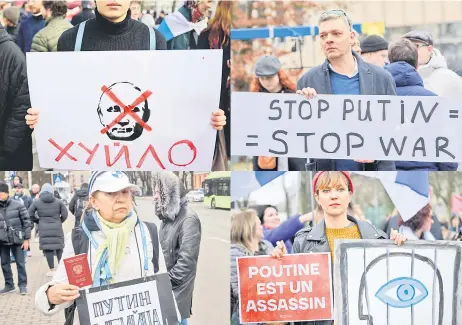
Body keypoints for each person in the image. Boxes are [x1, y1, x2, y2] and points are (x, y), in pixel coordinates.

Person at [54, 0, 227, 141]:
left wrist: (204, 116)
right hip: (87, 148)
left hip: (142, 151)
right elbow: (62, 100)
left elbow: (167, 100)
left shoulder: (154, 40)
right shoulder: (70, 40)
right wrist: (43, 117)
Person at [35, 171, 175, 323]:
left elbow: (161, 283)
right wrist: (50, 295)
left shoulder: (148, 232)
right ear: (93, 201)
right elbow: (64, 289)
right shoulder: (79, 239)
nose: (121, 199)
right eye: (110, 193)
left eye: (125, 192)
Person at [271, 171, 407, 325]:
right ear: (317, 197)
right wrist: (280, 266)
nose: (333, 196)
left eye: (340, 189)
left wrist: (400, 248)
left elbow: (394, 286)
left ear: (349, 195)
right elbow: (292, 301)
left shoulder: (375, 237)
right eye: (326, 191)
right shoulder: (302, 242)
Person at [297, 10, 396, 171]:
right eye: (323, 36)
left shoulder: (382, 78)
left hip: (375, 172)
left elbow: (394, 129)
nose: (329, 40)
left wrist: (378, 153)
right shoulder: (307, 81)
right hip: (326, 172)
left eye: (336, 34)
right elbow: (299, 137)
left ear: (351, 37)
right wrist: (301, 110)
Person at [384, 38, 458, 171]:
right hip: (428, 169)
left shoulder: (373, 101)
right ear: (417, 65)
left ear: (389, 61)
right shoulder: (437, 103)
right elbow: (447, 153)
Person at [153, 172, 201, 325]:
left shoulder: (188, 219)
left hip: (175, 293)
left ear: (169, 194)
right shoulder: (167, 218)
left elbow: (187, 264)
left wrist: (164, 284)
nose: (155, 197)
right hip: (167, 292)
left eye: (157, 192)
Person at [249, 55, 305, 171]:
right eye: (262, 78)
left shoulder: (295, 96)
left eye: (269, 77)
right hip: (265, 155)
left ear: (279, 74)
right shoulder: (255, 99)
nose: (266, 82)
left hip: (293, 153)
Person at [198, 0, 231, 171]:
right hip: (227, 106)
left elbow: (197, 74)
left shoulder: (206, 36)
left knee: (218, 159)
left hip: (212, 106)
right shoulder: (239, 37)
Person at [230, 209, 273, 325]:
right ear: (249, 226)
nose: (262, 226)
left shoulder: (268, 247)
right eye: (259, 223)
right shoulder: (235, 254)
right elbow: (241, 294)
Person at [403, 30, 462, 98]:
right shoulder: (396, 76)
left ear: (429, 49)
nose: (411, 51)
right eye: (407, 47)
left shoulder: (450, 78)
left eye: (416, 46)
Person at [28, 183, 68, 277]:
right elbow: (65, 214)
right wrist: (59, 221)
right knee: (59, 248)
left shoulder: (37, 202)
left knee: (48, 249)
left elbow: (30, 214)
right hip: (57, 227)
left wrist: (38, 221)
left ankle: (52, 270)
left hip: (43, 228)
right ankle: (61, 269)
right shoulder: (59, 202)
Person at [0, 181, 31, 295]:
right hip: (2, 241)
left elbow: (27, 222)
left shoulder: (18, 205)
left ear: (7, 193)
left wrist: (27, 239)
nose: (0, 195)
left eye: (2, 193)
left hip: (17, 240)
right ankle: (9, 285)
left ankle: (23, 285)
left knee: (20, 263)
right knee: (4, 263)